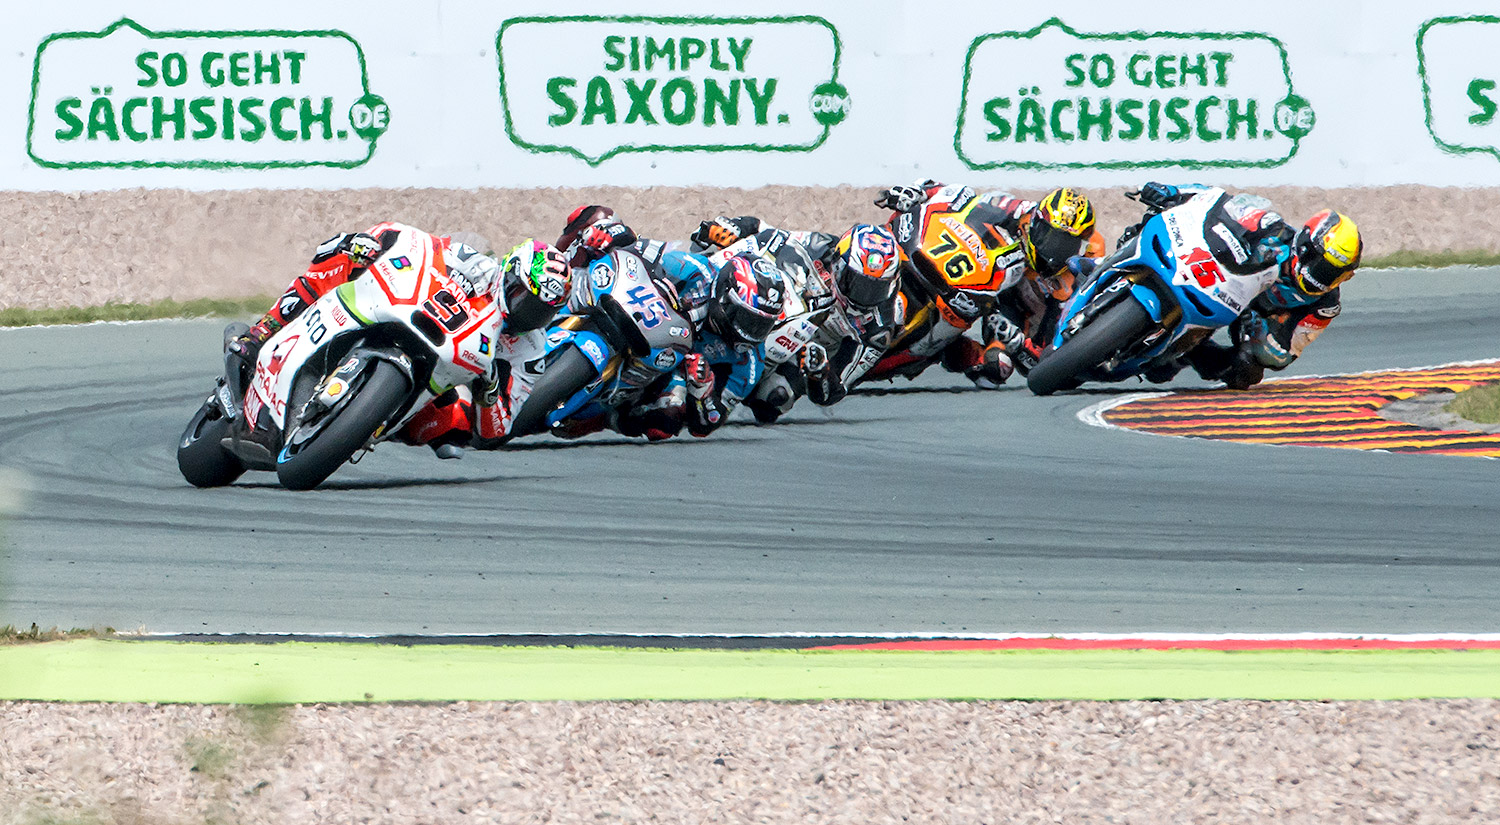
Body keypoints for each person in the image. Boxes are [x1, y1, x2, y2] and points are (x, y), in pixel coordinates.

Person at [225, 224, 570, 455]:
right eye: (525, 297)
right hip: (411, 318)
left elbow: (498, 430)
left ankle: (363, 423)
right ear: (509, 272)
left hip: (446, 377)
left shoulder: (531, 350)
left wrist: (490, 391)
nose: (529, 314)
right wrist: (374, 244)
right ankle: (261, 333)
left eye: (540, 311)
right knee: (345, 260)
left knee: (457, 425)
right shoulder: (475, 264)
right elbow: (421, 246)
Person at [1107, 183, 1362, 389]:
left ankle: (1181, 353)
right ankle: (1105, 267)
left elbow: (1288, 351)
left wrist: (1261, 337)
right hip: (1214, 276)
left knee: (1244, 373)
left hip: (1247, 319)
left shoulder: (1324, 305)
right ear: (1305, 246)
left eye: (1336, 275)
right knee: (1148, 223)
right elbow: (1215, 200)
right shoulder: (1271, 229)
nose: (1325, 280)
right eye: (1324, 269)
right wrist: (1174, 193)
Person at [869, 181, 1103, 387]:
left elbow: (1046, 362)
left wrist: (1018, 344)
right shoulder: (1019, 211)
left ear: (1079, 249)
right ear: (1037, 222)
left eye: (1064, 247)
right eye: (1049, 239)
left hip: (1010, 311)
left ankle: (949, 352)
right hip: (973, 269)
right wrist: (920, 192)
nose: (1052, 253)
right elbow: (963, 197)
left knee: (996, 368)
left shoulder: (1067, 281)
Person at [688, 216, 906, 410]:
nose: (865, 296)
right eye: (857, 283)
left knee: (774, 399)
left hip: (803, 353)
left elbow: (835, 390)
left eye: (877, 288)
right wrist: (732, 229)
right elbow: (768, 234)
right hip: (775, 306)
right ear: (840, 264)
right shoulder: (819, 245)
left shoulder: (879, 329)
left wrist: (819, 373)